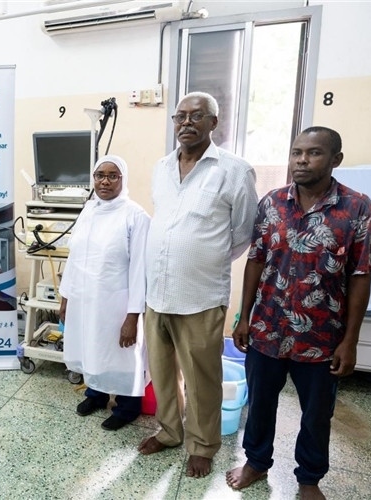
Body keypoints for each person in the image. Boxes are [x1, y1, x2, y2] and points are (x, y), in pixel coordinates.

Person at [226, 127, 371, 499]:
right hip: (267, 328)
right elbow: (256, 260)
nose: (302, 160)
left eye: (313, 153)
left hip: (321, 337)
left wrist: (350, 340)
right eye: (296, 153)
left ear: (336, 159)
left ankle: (309, 478)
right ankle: (256, 462)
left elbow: (360, 275)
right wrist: (244, 316)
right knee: (260, 404)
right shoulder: (272, 203)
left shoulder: (357, 207)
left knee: (317, 414)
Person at [139, 91, 259, 478]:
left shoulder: (234, 170)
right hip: (157, 292)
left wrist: (202, 258)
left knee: (202, 378)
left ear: (214, 123)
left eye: (196, 115)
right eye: (180, 116)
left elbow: (243, 233)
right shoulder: (161, 167)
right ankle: (170, 431)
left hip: (201, 296)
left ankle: (203, 445)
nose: (186, 122)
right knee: (162, 374)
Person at [59, 155, 150, 431]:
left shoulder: (136, 216)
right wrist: (66, 298)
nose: (105, 181)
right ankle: (96, 394)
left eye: (113, 176)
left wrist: (132, 317)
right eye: (100, 175)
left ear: (123, 179)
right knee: (92, 346)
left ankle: (127, 407)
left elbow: (140, 270)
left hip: (117, 303)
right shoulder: (89, 210)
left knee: (121, 355)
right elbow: (74, 258)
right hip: (85, 300)